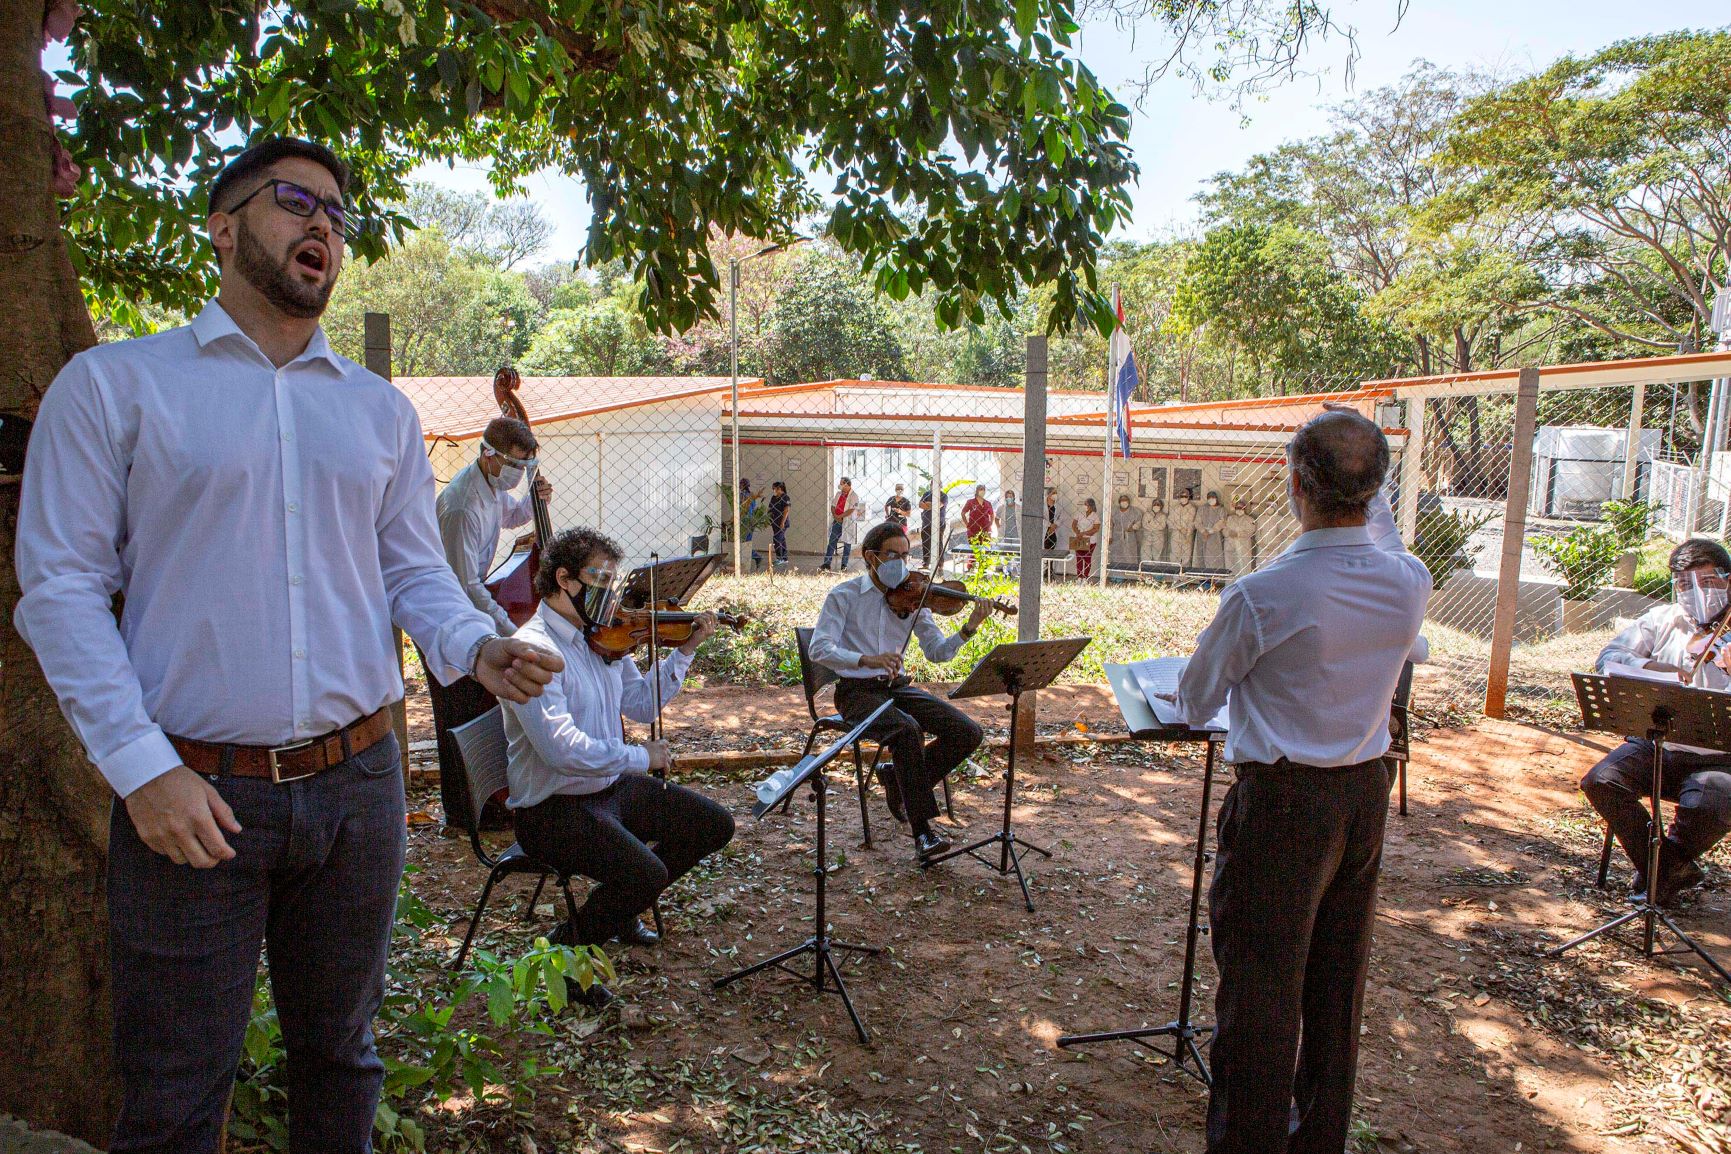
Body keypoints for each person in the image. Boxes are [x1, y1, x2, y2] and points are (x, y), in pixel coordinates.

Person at [12, 137, 563, 1154]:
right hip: (191, 794)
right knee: (176, 1092)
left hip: (357, 787)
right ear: (223, 228)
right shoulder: (115, 388)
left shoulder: (375, 410)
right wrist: (142, 771)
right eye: (295, 202)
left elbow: (409, 571)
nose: (323, 226)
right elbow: (58, 591)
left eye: (339, 215)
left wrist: (475, 647)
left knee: (342, 1058)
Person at [1172, 406, 1430, 1154]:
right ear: (1378, 490)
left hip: (1283, 801)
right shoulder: (1407, 581)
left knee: (1258, 988)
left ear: (1293, 483)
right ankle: (1317, 1136)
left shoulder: (1262, 593)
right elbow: (1380, 536)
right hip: (1362, 795)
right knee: (1334, 982)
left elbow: (1194, 699)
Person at [502, 528, 735, 1006]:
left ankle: (616, 907)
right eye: (600, 580)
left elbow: (640, 706)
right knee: (645, 873)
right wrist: (640, 756)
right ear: (564, 579)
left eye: (613, 581)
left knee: (713, 825)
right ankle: (565, 957)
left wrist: (683, 652)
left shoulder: (603, 638)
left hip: (606, 789)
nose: (611, 594)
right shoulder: (533, 647)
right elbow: (560, 749)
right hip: (551, 807)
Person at [809, 521, 989, 859]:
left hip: (897, 688)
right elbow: (818, 649)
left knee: (967, 732)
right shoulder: (843, 596)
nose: (902, 563)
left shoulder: (914, 597)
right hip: (856, 693)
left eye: (906, 555)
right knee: (907, 731)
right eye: (894, 554)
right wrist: (865, 659)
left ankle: (896, 779)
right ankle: (923, 834)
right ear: (871, 556)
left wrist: (968, 628)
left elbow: (937, 653)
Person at [1581, 538, 1731, 905]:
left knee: (1710, 804)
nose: (1697, 592)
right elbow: (1609, 657)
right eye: (1685, 585)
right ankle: (1667, 869)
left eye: (1708, 582)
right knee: (1601, 781)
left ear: (1729, 580)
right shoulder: (1663, 619)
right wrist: (1652, 666)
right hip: (1659, 743)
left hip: (1722, 755)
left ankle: (1661, 867)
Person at [429, 405, 552, 832]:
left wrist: (537, 501)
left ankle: (489, 801)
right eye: (516, 465)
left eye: (526, 466)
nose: (519, 473)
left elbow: (512, 515)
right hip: (448, 611)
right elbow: (466, 584)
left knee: (478, 708)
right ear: (489, 455)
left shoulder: (492, 485)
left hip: (471, 604)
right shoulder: (462, 505)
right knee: (458, 714)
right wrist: (509, 628)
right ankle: (464, 814)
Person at [821, 477, 863, 570]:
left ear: (847, 485)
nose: (840, 485)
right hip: (837, 522)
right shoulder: (838, 494)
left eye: (841, 483)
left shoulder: (854, 496)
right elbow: (833, 506)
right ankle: (827, 563)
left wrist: (840, 517)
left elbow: (852, 510)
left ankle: (844, 564)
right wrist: (835, 516)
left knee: (847, 544)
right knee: (832, 542)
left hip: (847, 522)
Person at [1222, 497, 1258, 577]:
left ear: (1245, 508)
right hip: (1230, 546)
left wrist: (1238, 534)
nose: (1239, 509)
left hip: (1243, 547)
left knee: (1243, 567)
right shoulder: (1230, 518)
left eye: (1241, 508)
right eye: (1237, 508)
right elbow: (1224, 530)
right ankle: (1230, 584)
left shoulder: (1250, 520)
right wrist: (1228, 533)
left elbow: (1251, 531)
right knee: (1230, 566)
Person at [1195, 490, 1227, 570]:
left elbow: (1222, 522)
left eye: (1213, 497)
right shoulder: (1202, 508)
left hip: (1215, 536)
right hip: (1201, 535)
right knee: (1201, 555)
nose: (1211, 499)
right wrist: (1203, 531)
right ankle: (1202, 578)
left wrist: (1210, 531)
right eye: (1209, 498)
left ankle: (1213, 577)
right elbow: (1197, 521)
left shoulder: (1221, 509)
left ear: (1217, 498)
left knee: (1213, 557)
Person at [1109, 494, 1142, 568]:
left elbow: (1139, 522)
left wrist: (1133, 527)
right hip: (1116, 537)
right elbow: (1110, 525)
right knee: (1116, 555)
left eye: (1126, 500)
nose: (1124, 502)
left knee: (1130, 555)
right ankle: (1117, 576)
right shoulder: (1114, 511)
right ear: (1119, 501)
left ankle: (1129, 575)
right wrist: (1110, 536)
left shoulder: (1134, 511)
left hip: (1129, 537)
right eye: (1122, 500)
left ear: (1129, 501)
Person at [1071, 497, 1101, 579]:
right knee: (1079, 559)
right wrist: (1078, 533)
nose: (1084, 506)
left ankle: (1085, 577)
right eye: (1084, 504)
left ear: (1091, 506)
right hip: (1079, 539)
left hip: (1090, 540)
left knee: (1087, 559)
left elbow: (1096, 529)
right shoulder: (1079, 513)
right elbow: (1073, 525)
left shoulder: (1095, 516)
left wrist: (1083, 533)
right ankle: (1079, 577)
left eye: (1086, 504)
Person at [1169, 488, 1198, 568]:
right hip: (1176, 533)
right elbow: (1169, 521)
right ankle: (1175, 576)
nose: (1183, 497)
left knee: (1186, 555)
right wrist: (1178, 527)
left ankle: (1184, 577)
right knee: (1174, 554)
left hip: (1187, 534)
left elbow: (1192, 522)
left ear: (1189, 497)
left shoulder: (1192, 508)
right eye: (1182, 496)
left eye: (1185, 496)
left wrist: (1188, 533)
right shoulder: (1175, 508)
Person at [768, 480, 791, 566]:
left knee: (777, 539)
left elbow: (786, 510)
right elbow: (770, 508)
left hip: (782, 523)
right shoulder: (773, 498)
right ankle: (784, 558)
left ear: (779, 489)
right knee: (781, 539)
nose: (773, 490)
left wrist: (782, 522)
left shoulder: (785, 497)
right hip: (774, 522)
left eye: (774, 488)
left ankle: (779, 558)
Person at [1144, 497, 1170, 565]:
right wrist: (1156, 524)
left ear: (1161, 506)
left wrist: (1150, 523)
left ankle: (1156, 571)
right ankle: (1146, 570)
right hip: (1147, 536)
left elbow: (1162, 526)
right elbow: (1144, 524)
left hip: (1159, 537)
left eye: (1158, 504)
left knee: (1157, 555)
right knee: (1146, 554)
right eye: (1155, 504)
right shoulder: (1147, 514)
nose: (1156, 506)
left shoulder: (1163, 516)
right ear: (1152, 505)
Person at [1044, 486, 1062, 552]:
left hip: (1054, 531)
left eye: (1056, 493)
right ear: (1048, 494)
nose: (1055, 495)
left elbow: (1061, 517)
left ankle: (1051, 562)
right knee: (1045, 551)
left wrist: (1055, 525)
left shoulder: (1058, 506)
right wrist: (1050, 525)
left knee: (1053, 551)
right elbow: (1040, 518)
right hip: (1045, 530)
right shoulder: (1042, 505)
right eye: (1053, 493)